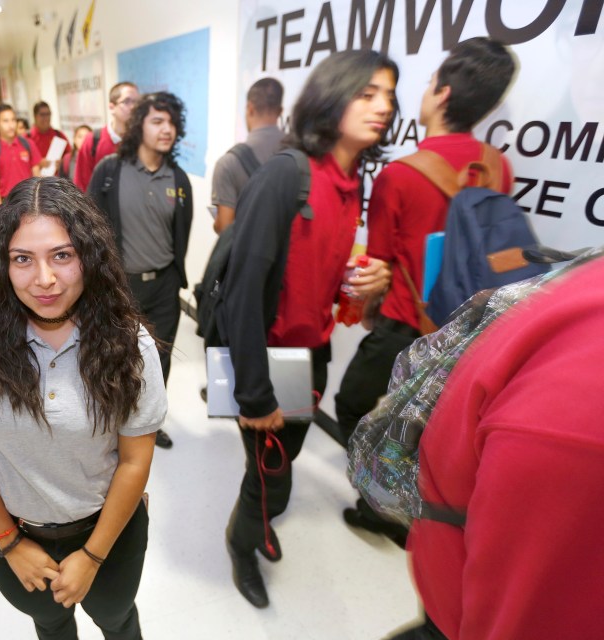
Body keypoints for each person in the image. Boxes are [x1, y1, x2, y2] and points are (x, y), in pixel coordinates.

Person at [333, 249, 604, 640]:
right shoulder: (583, 377)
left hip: (454, 568)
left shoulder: (579, 291)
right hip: (469, 596)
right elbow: (527, 636)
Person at [0, 176, 166, 640]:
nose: (44, 278)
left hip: (108, 528)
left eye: (62, 255)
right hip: (14, 532)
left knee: (114, 613)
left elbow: (134, 460)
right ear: (3, 265)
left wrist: (92, 555)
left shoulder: (130, 345)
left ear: (90, 256)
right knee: (48, 618)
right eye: (23, 259)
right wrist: (9, 543)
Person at [221, 50, 396, 608]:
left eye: (389, 96)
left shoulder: (351, 179)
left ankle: (260, 523)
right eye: (368, 93)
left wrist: (363, 283)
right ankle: (241, 541)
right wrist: (253, 394)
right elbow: (243, 293)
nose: (383, 107)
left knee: (281, 460)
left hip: (312, 353)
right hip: (268, 358)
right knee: (268, 471)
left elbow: (314, 273)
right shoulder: (286, 173)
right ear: (332, 95)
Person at [334, 38, 517, 547]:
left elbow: (381, 263)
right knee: (431, 427)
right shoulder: (497, 168)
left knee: (354, 405)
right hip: (468, 331)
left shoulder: (399, 174)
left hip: (404, 324)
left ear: (441, 92)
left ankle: (380, 507)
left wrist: (363, 311)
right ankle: (418, 509)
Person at [87, 92, 192, 451]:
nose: (167, 130)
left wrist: (176, 278)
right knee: (118, 357)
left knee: (159, 361)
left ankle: (150, 424)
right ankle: (115, 424)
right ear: (139, 126)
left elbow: (182, 233)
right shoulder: (110, 171)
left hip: (164, 287)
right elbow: (89, 229)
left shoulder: (177, 179)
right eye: (157, 121)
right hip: (122, 286)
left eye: (172, 123)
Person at [210, 77, 284, 234]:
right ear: (280, 112)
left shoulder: (229, 163)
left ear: (250, 108)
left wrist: (217, 223)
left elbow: (225, 229)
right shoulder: (300, 152)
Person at [72, 81, 140, 191]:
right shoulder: (93, 140)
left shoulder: (143, 141)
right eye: (127, 101)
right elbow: (81, 185)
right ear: (112, 107)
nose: (133, 107)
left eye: (137, 102)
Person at [0, 104, 43, 206]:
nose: (11, 125)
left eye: (13, 120)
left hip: (29, 200)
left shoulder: (28, 144)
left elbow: (37, 175)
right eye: (5, 121)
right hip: (7, 203)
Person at [29, 101, 71, 174]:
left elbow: (70, 156)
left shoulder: (59, 135)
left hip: (56, 181)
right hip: (35, 182)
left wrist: (63, 162)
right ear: (35, 116)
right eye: (42, 115)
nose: (46, 118)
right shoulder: (27, 138)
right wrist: (37, 163)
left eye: (48, 114)